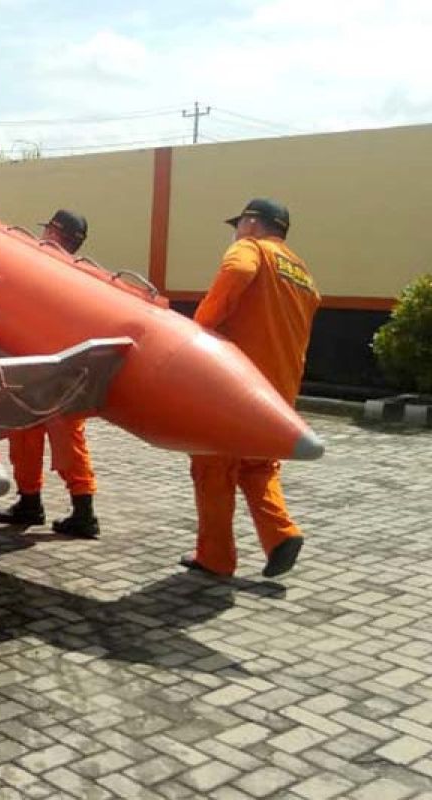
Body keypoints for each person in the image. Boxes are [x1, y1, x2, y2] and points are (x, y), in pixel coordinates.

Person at [182, 198, 320, 578]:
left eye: (239, 223)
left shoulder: (250, 249)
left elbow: (237, 271)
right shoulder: (302, 272)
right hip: (279, 390)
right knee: (258, 467)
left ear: (253, 223)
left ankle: (215, 558)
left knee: (213, 466)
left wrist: (200, 328)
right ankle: (281, 534)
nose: (235, 232)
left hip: (237, 384)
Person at [0, 209, 100, 539]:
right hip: (48, 366)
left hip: (50, 368)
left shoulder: (50, 268)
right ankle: (32, 502)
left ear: (57, 234)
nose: (44, 236)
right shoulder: (83, 275)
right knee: (29, 438)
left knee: (61, 440)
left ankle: (80, 513)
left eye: (49, 230)